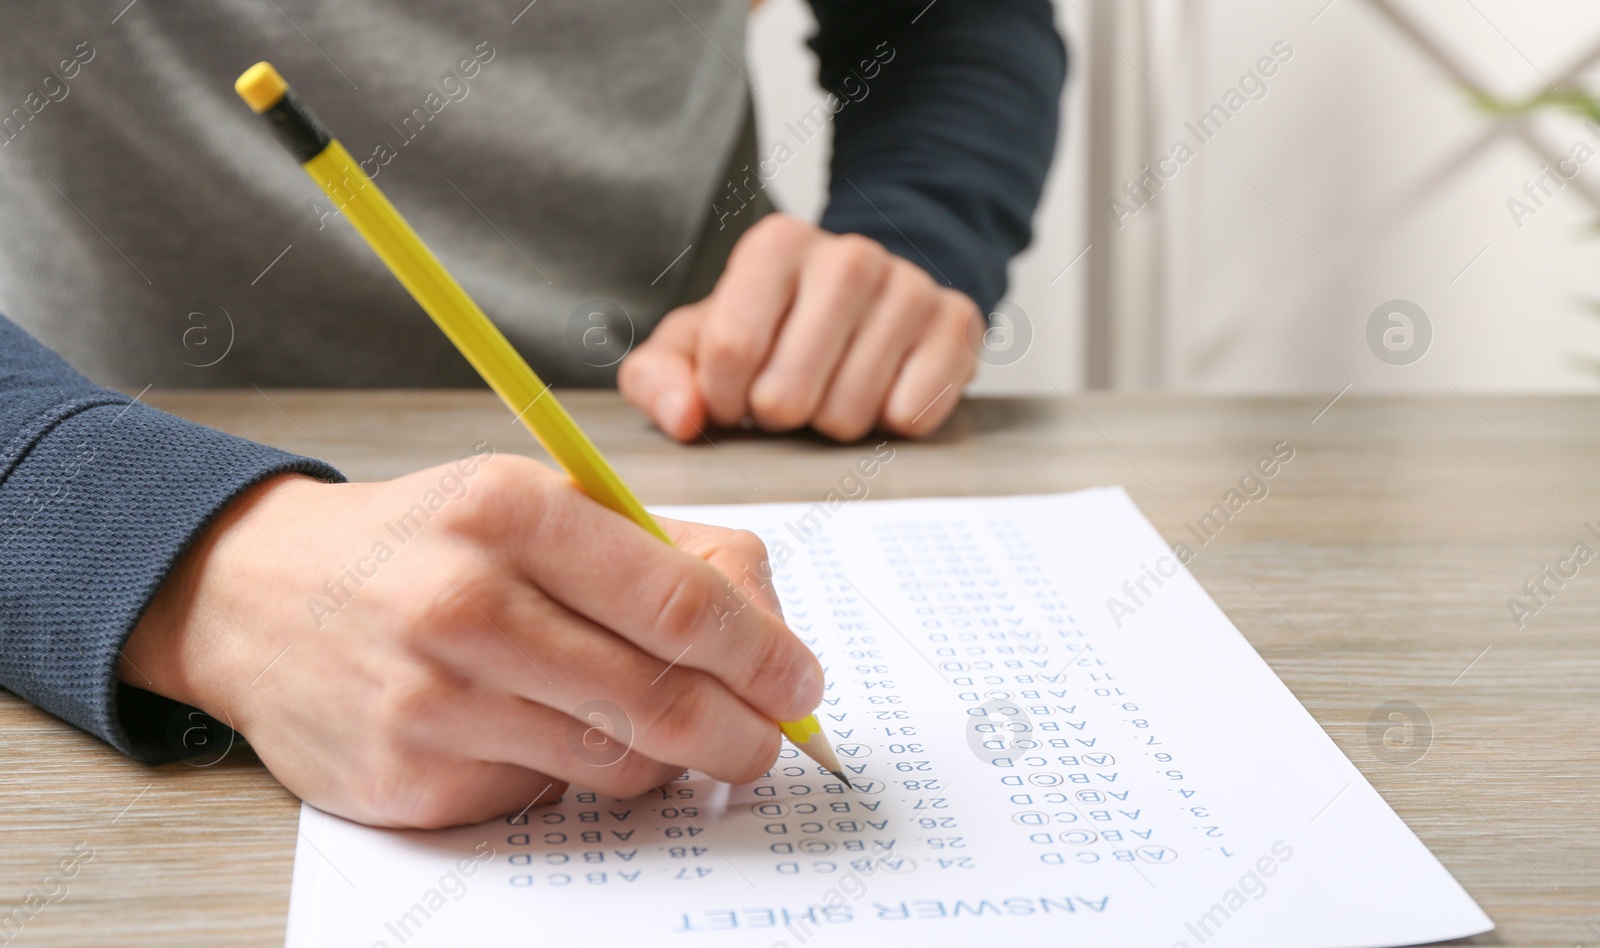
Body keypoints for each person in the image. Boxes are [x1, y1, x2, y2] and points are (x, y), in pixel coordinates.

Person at [0, 1, 1065, 827]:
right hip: (125, 442)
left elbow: (945, 20)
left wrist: (908, 237)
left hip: (697, 407)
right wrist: (178, 554)